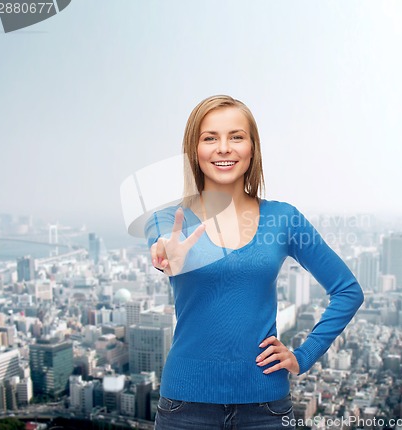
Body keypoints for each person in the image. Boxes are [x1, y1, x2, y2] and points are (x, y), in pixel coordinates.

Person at [145, 95, 364, 429]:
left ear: (252, 147)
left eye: (236, 136)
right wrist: (167, 257)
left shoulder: (284, 219)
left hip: (266, 409)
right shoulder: (168, 221)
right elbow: (164, 249)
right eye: (209, 138)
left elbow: (348, 290)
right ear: (193, 150)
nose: (223, 148)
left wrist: (302, 356)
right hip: (184, 409)